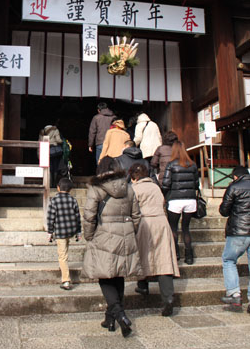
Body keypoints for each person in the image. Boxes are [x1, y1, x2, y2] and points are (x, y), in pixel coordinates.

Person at [82, 156, 142, 337]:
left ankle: (120, 315)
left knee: (105, 276)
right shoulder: (128, 188)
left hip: (104, 234)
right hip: (125, 234)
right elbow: (137, 216)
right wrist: (131, 232)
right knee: (117, 274)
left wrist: (89, 235)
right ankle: (110, 319)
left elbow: (89, 215)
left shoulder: (96, 187)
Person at [130, 163, 180, 316]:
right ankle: (168, 298)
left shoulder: (134, 189)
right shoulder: (155, 187)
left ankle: (143, 284)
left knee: (142, 255)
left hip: (144, 222)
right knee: (163, 259)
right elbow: (163, 203)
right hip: (161, 222)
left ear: (133, 176)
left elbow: (132, 209)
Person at [162, 141, 199, 265]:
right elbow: (196, 184)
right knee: (186, 228)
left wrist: (164, 195)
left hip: (175, 199)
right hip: (190, 200)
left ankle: (176, 254)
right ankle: (189, 256)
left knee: (173, 228)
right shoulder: (193, 165)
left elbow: (166, 183)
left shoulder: (171, 165)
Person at [219, 166, 250, 311]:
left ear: (236, 177)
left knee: (229, 260)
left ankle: (234, 294)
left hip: (239, 230)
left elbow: (224, 210)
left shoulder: (234, 187)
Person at [47, 177, 81, 291]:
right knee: (65, 251)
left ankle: (66, 280)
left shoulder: (54, 200)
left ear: (58, 188)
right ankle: (64, 270)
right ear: (70, 189)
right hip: (70, 230)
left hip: (60, 231)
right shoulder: (73, 200)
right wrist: (78, 231)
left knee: (62, 256)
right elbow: (77, 217)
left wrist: (50, 231)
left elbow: (51, 217)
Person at [39, 123, 63, 188]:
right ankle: (54, 183)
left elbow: (40, 142)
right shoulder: (55, 130)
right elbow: (58, 140)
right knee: (55, 167)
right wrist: (62, 141)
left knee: (48, 167)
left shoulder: (42, 132)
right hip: (54, 151)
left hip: (45, 151)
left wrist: (39, 154)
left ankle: (48, 183)